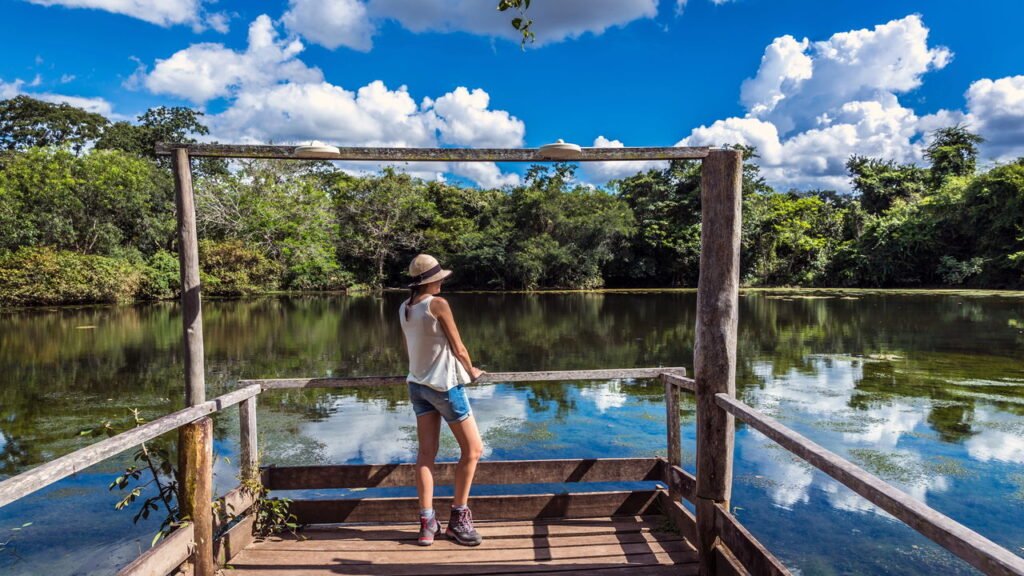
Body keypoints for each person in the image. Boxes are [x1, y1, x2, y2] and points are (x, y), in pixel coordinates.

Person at [399, 254, 485, 547]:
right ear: (431, 281)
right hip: (444, 388)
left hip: (417, 386)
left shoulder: (405, 308)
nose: (442, 283)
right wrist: (472, 372)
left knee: (426, 455)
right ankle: (458, 520)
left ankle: (427, 524)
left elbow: (412, 348)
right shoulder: (438, 305)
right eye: (440, 279)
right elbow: (458, 346)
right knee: (473, 450)